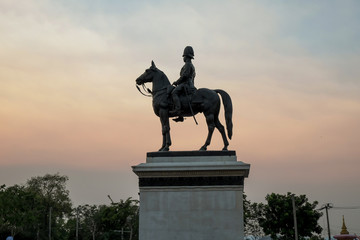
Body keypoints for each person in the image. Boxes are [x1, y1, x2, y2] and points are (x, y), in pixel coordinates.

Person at [169, 46, 196, 116]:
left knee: (174, 93)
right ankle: (181, 116)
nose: (183, 58)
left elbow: (184, 76)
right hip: (189, 84)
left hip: (186, 84)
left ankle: (177, 109)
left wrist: (176, 82)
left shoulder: (188, 65)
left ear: (186, 56)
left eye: (183, 56)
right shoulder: (191, 65)